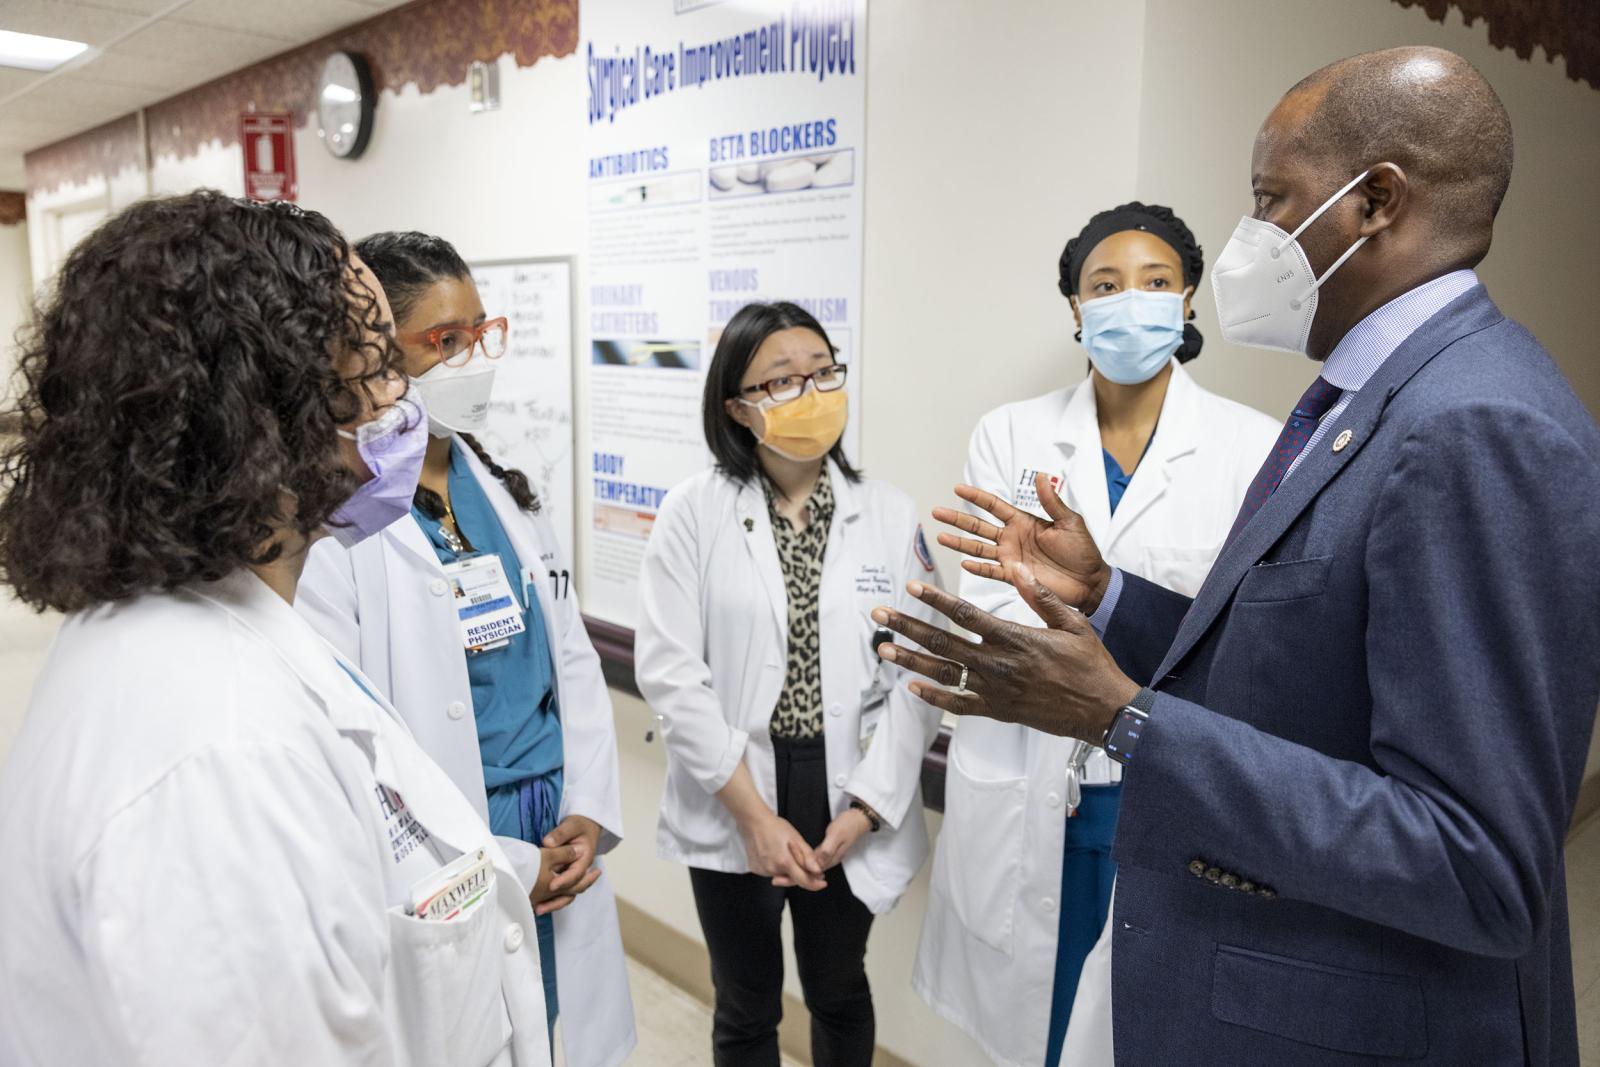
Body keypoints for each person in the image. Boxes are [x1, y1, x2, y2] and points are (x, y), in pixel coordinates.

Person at [872, 47, 1600, 1065]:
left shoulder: (1473, 422)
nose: (1247, 238)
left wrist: (1120, 716)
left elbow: (1476, 862)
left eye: (1269, 198)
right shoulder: (1360, 403)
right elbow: (1299, 666)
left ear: (1374, 200)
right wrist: (1111, 596)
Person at [0, 191, 554, 1065]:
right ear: (266, 412)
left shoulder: (211, 631)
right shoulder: (215, 756)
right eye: (376, 365)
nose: (401, 400)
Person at [913, 203, 1277, 1067]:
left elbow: (1244, 644)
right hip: (1032, 782)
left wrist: (1082, 625)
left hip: (1160, 783)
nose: (1131, 301)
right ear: (1075, 310)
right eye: (1104, 285)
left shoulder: (1250, 448)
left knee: (1143, 1026)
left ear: (1189, 303)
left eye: (1156, 283)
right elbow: (992, 607)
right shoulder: (1012, 432)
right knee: (1036, 1030)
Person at [295, 232, 634, 1067]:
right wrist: (504, 858)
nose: (472, 357)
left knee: (558, 1031)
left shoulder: (501, 485)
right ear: (375, 353)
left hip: (557, 823)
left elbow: (572, 663)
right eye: (444, 340)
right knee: (477, 1035)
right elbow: (350, 736)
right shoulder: (339, 525)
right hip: (446, 839)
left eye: (480, 332)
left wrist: (586, 809)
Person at [635, 301, 943, 1067]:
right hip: (735, 780)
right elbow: (672, 671)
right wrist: (750, 815)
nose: (812, 391)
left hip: (845, 783)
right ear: (738, 407)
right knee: (747, 1000)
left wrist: (869, 806)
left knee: (839, 988)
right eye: (782, 379)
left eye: (823, 371)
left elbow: (919, 673)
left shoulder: (889, 514)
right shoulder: (692, 513)